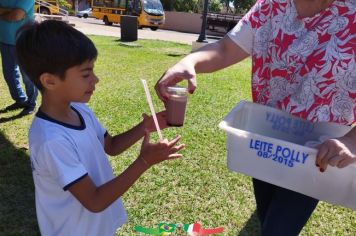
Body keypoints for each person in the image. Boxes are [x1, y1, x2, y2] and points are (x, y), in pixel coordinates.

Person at [155, 0, 356, 235]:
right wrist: (189, 61)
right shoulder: (270, 6)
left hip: (316, 153)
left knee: (277, 230)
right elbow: (225, 49)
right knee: (267, 217)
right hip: (265, 142)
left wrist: (351, 140)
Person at [15, 20, 185, 236]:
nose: (95, 79)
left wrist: (145, 126)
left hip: (96, 227)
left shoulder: (79, 110)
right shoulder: (51, 140)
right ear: (49, 81)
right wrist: (144, 162)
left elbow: (111, 146)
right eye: (86, 74)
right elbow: (94, 201)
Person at [0, 0, 38, 115]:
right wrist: (10, 12)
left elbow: (16, 16)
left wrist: (3, 12)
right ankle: (20, 100)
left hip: (24, 42)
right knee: (9, 75)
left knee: (28, 76)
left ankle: (31, 103)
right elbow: (15, 14)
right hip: (4, 40)